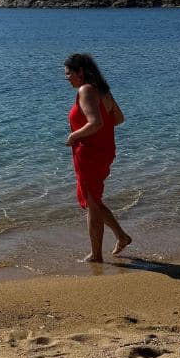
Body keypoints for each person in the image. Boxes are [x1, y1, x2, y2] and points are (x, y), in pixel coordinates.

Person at [64, 52, 132, 261]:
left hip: (90, 154)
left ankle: (96, 255)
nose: (67, 77)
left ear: (80, 71)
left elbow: (96, 122)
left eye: (69, 73)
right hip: (104, 151)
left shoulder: (86, 90)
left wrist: (73, 135)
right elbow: (118, 118)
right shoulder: (103, 90)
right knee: (94, 201)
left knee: (92, 205)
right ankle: (121, 236)